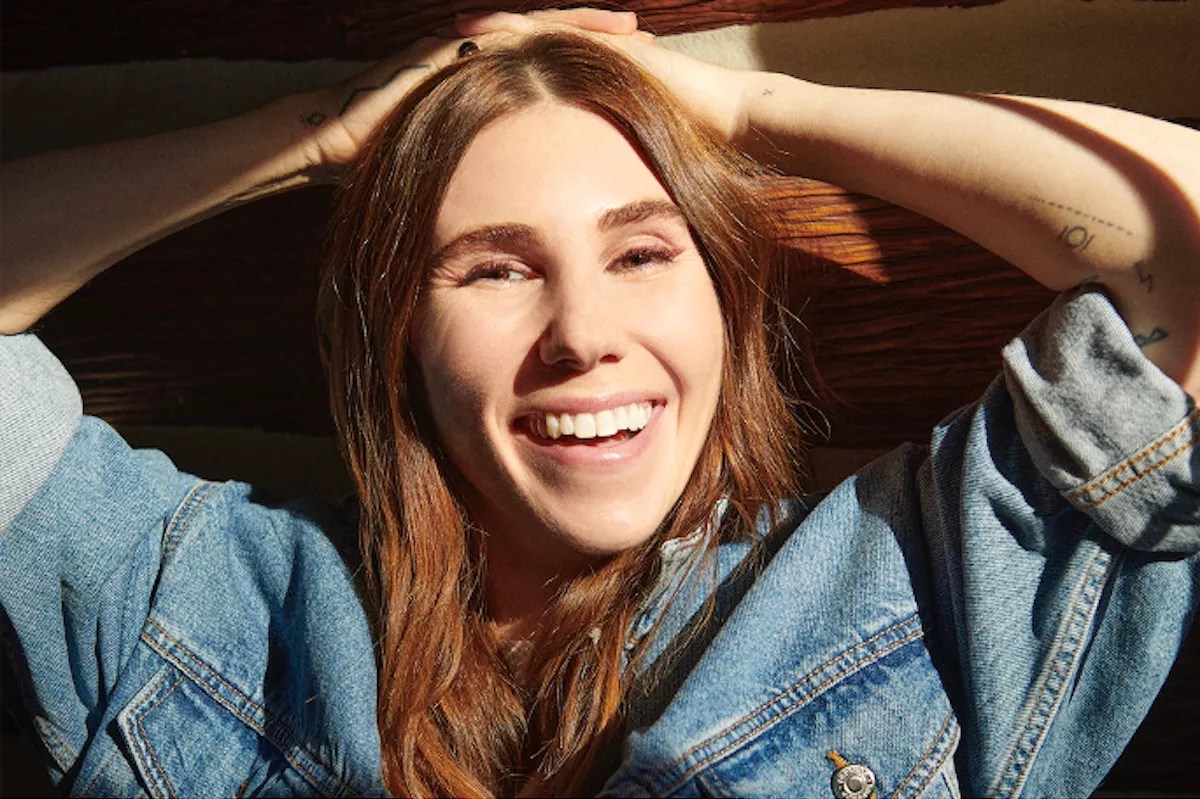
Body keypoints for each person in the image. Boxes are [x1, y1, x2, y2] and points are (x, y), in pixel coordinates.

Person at [2, 8, 1197, 797]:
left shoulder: (920, 589)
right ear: (402, 340)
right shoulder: (203, 601)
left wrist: (740, 111)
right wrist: (318, 137)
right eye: (495, 268)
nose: (581, 335)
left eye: (642, 255)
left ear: (723, 308)